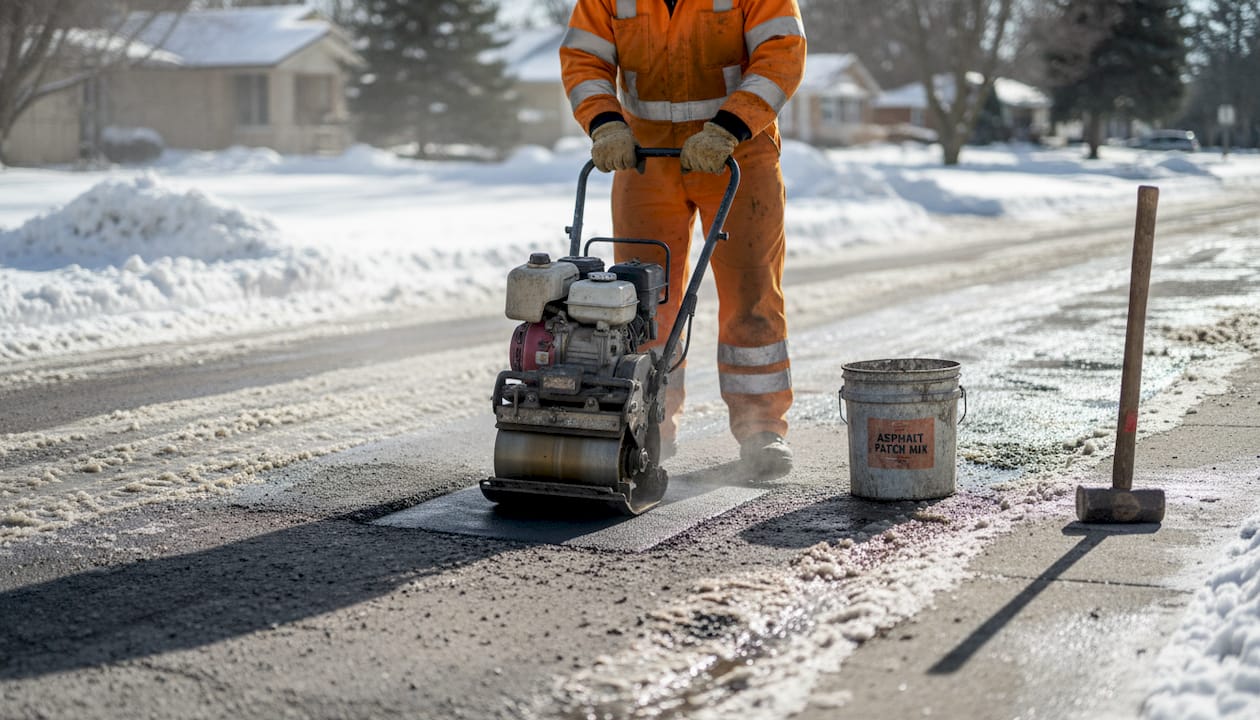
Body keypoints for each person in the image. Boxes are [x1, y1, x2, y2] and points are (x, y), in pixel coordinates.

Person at [560, 0, 806, 476]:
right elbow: (584, 59)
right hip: (644, 155)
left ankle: (762, 428)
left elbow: (781, 53)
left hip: (739, 151)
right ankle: (648, 424)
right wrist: (604, 121)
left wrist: (728, 127)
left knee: (751, 292)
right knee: (640, 301)